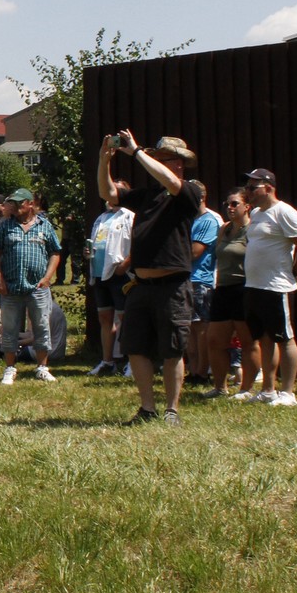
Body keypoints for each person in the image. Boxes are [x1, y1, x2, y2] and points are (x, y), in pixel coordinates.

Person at [98, 132, 201, 426]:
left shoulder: (189, 192)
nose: (176, 166)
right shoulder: (146, 195)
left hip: (173, 286)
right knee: (135, 347)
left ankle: (171, 410)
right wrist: (104, 160)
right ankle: (147, 408)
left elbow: (171, 182)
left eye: (178, 161)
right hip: (142, 287)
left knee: (172, 350)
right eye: (169, 160)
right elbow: (108, 194)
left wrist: (135, 152)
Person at [237, 168, 297, 407]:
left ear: (268, 187)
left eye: (252, 187)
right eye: (247, 187)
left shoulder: (285, 212)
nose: (248, 192)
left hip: (276, 286)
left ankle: (288, 392)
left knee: (284, 337)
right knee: (264, 338)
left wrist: (294, 271)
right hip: (254, 285)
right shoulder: (256, 213)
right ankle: (268, 390)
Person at [0, 188, 62, 384]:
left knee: (41, 327)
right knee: (9, 329)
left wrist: (47, 277)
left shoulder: (44, 226)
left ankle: (42, 368)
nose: (15, 206)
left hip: (38, 288)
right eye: (12, 202)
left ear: (30, 204)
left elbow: (55, 252)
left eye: (19, 202)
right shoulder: (5, 226)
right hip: (11, 288)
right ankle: (9, 368)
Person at [206, 188, 261, 399]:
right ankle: (220, 387)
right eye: (227, 204)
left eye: (234, 204)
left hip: (244, 288)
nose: (229, 208)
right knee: (214, 341)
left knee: (248, 342)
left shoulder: (253, 230)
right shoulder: (225, 229)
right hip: (223, 288)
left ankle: (246, 389)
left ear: (247, 206)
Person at [85, 182, 134, 376]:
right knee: (105, 318)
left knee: (125, 319)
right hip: (100, 273)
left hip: (119, 274)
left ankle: (132, 361)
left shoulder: (129, 216)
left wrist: (125, 265)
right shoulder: (102, 217)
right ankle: (107, 361)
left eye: (116, 190)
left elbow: (137, 243)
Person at [185, 180, 221, 385]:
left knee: (200, 328)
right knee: (189, 327)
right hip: (185, 279)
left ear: (201, 197)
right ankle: (192, 370)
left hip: (200, 281)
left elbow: (195, 252)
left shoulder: (208, 221)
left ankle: (202, 372)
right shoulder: (188, 219)